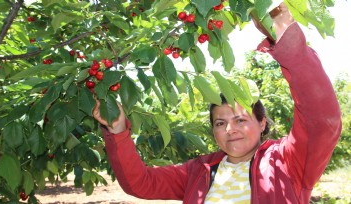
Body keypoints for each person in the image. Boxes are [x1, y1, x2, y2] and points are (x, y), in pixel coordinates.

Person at [93, 3, 342, 204]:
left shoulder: (287, 163)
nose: (229, 129)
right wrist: (117, 131)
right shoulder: (199, 171)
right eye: (220, 122)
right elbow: (141, 183)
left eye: (240, 120)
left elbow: (321, 120)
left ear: (262, 122)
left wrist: (289, 43)